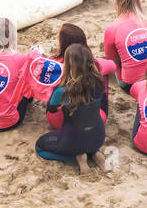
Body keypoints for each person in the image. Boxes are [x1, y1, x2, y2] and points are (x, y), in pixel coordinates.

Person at [36, 44, 111, 172]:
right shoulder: (99, 82)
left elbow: (51, 110)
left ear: (69, 66)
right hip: (98, 136)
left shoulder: (63, 91)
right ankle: (94, 154)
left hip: (72, 139)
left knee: (40, 147)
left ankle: (77, 157)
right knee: (87, 135)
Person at [27, 24, 116, 128]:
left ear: (62, 44)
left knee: (53, 81)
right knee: (101, 76)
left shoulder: (54, 63)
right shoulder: (95, 64)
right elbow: (113, 66)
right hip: (92, 122)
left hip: (59, 122)